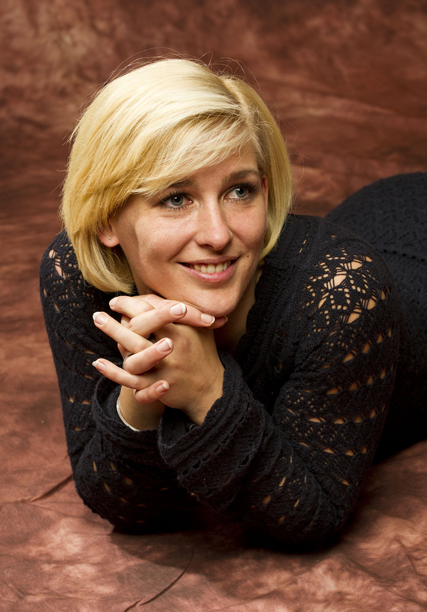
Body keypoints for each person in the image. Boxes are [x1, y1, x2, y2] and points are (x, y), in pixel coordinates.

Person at [40, 58, 427, 545]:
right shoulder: (74, 273)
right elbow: (121, 503)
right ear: (105, 220)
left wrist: (207, 390)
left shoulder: (345, 297)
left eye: (239, 191)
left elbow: (313, 515)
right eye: (176, 198)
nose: (218, 234)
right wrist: (142, 397)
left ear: (265, 191)